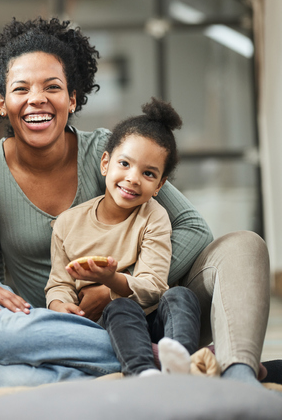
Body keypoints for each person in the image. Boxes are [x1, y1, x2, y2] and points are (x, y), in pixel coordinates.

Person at [0, 16, 272, 387]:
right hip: (60, 331)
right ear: (2, 102)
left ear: (72, 99)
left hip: (158, 317)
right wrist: (58, 310)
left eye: (52, 87)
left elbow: (195, 229)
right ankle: (172, 363)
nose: (36, 98)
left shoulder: (111, 153)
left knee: (244, 246)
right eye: (21, 88)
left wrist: (118, 286)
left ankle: (239, 376)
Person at [46, 98, 202, 377]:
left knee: (181, 295)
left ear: (159, 186)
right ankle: (143, 373)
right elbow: (59, 283)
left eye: (148, 173)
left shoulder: (154, 216)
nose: (133, 178)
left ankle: (180, 366)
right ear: (105, 163)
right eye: (125, 163)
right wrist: (60, 305)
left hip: (154, 321)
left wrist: (111, 279)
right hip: (111, 327)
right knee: (120, 307)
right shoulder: (68, 224)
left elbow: (154, 286)